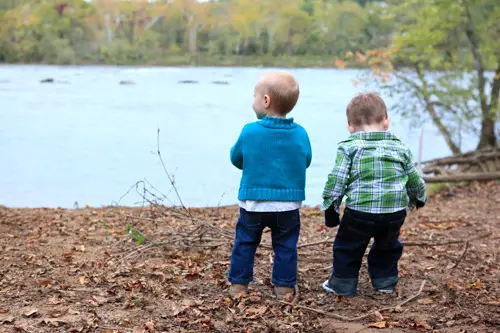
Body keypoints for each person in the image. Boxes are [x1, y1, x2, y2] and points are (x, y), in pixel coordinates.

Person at [322, 92, 426, 297]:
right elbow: (414, 178)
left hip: (360, 212)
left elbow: (337, 179)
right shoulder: (399, 147)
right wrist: (418, 198)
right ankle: (385, 282)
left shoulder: (349, 147)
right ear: (386, 121)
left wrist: (331, 207)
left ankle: (342, 284)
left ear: (349, 126)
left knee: (348, 246)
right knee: (387, 246)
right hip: (394, 213)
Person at [227, 71, 312, 300]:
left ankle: (238, 286)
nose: (253, 100)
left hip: (253, 205)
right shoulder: (300, 133)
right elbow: (306, 160)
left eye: (254, 95)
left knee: (245, 243)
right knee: (285, 246)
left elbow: (236, 158)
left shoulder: (250, 131)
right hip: (287, 207)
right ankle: (284, 288)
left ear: (266, 101)